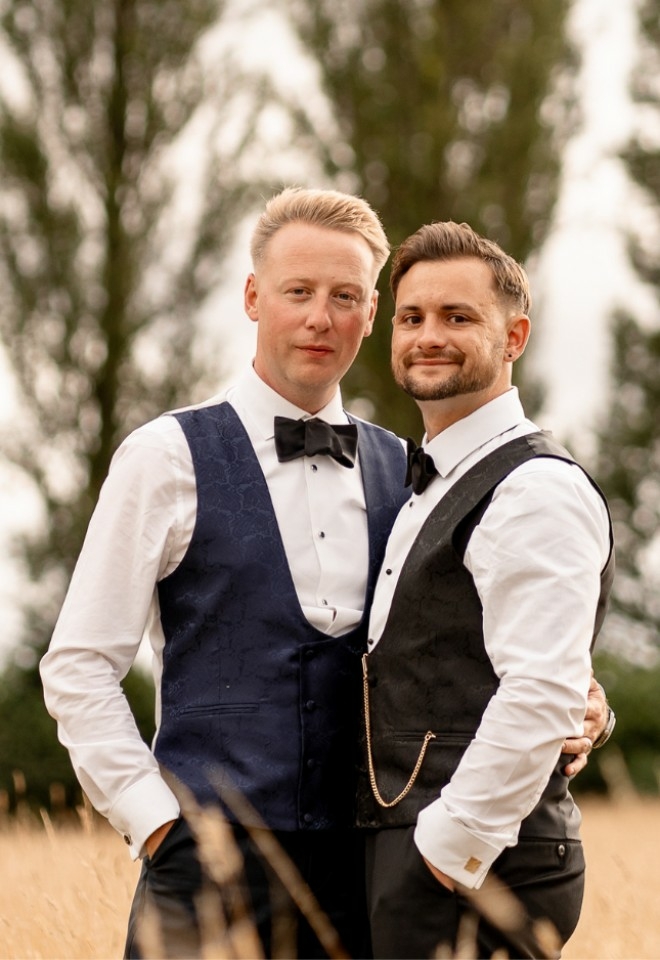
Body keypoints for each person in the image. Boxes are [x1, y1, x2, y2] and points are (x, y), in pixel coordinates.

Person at [40, 189, 609, 960]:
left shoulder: (410, 472)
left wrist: (584, 701)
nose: (319, 318)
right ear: (252, 297)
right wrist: (154, 823)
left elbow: (472, 629)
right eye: (297, 292)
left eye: (344, 297)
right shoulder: (163, 457)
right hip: (204, 873)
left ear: (370, 314)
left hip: (366, 879)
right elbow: (79, 666)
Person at [357, 220, 615, 960]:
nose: (427, 335)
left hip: (474, 868)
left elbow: (540, 687)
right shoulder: (425, 482)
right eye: (411, 318)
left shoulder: (534, 489)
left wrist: (442, 852)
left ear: (515, 337)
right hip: (423, 860)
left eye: (457, 316)